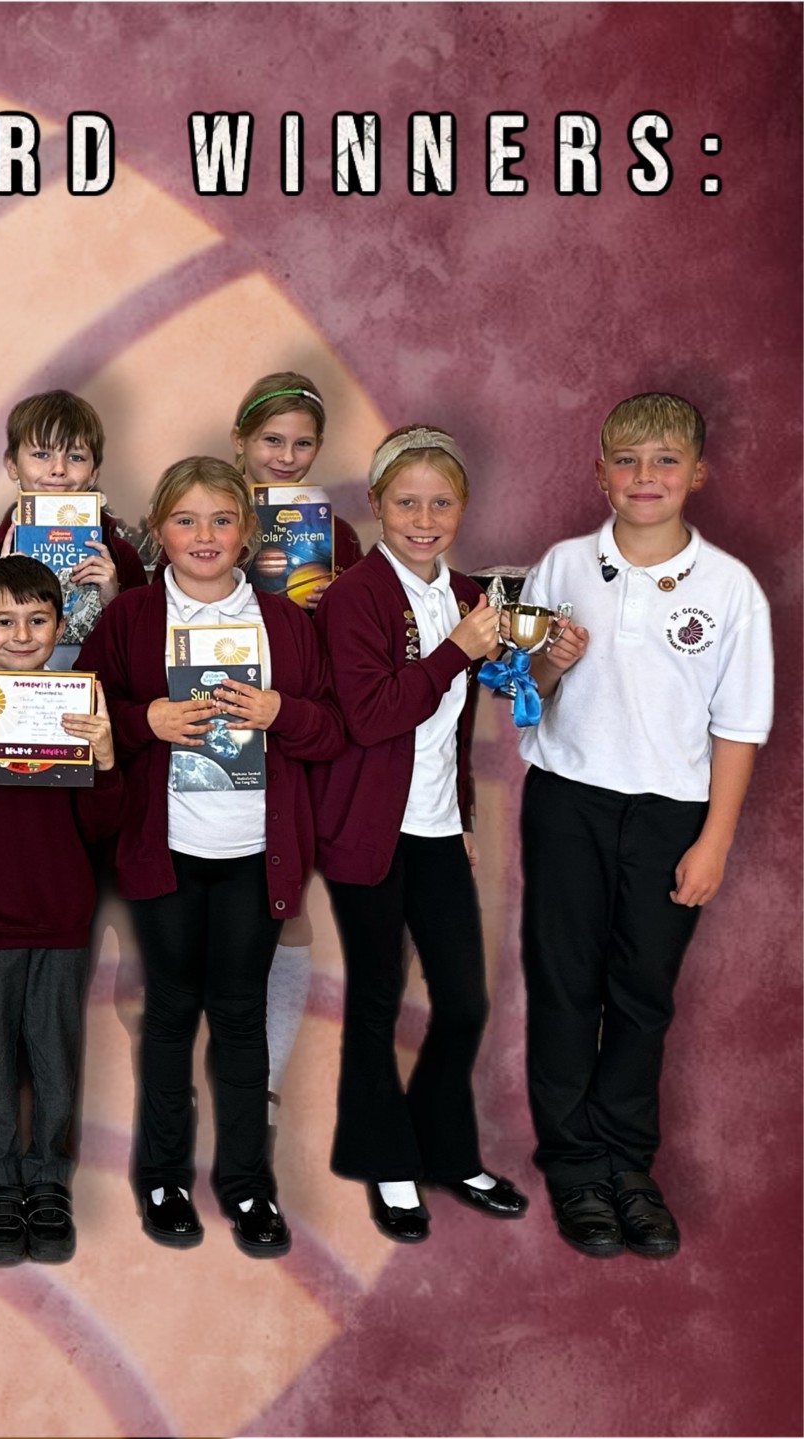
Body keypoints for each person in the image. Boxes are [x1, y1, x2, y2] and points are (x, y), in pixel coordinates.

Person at [517, 393, 772, 1258]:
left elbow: (739, 725)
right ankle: (575, 1165)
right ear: (601, 474)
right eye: (626, 460)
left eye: (666, 460)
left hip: (671, 815)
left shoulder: (730, 588)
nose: (645, 476)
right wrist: (549, 664)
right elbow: (524, 691)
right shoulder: (563, 566)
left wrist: (715, 840)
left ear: (697, 473)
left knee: (642, 991)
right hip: (568, 800)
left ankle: (628, 1161)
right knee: (563, 984)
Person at [77, 457, 342, 1257]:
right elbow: (84, 715)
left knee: (239, 1014)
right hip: (165, 851)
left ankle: (247, 1184)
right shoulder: (130, 616)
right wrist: (145, 720)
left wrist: (279, 709)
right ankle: (163, 1177)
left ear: (248, 532)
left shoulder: (284, 623)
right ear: (158, 530)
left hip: (255, 851)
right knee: (168, 1011)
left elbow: (330, 729)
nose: (204, 535)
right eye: (186, 519)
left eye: (222, 520)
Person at [311, 426, 528, 1242]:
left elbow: (456, 726)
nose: (424, 519)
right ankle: (390, 1165)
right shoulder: (354, 597)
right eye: (407, 502)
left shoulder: (472, 594)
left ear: (463, 508)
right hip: (366, 827)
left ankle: (445, 1150)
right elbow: (372, 716)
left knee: (464, 1001)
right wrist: (454, 651)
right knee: (375, 1000)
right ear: (377, 504)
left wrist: (462, 814)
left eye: (441, 503)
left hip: (436, 825)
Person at [0, 556, 123, 1265]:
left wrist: (104, 758)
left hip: (61, 912)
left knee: (55, 1054)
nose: (21, 633)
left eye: (38, 619)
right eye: (4, 621)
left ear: (60, 626)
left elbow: (102, 826)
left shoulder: (81, 704)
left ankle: (49, 1179)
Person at [226, 371, 366, 1156]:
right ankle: (211, 1071)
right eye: (271, 440)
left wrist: (331, 603)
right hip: (210, 730)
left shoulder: (336, 536)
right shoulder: (203, 509)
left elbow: (357, 654)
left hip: (297, 730)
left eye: (302, 443)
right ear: (240, 441)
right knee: (204, 907)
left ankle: (267, 1082)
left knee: (287, 904)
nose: (285, 456)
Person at [0, 390, 147, 675]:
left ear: (93, 473)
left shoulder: (121, 557)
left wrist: (115, 603)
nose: (58, 469)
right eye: (41, 454)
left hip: (93, 697)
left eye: (76, 457)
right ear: (12, 465)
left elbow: (143, 661)